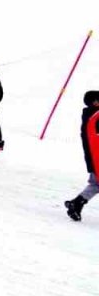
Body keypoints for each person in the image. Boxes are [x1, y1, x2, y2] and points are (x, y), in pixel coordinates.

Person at [64, 91, 99, 221]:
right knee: (96, 184)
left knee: (96, 184)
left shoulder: (90, 116)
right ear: (94, 102)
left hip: (94, 158)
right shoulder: (94, 117)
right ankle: (76, 203)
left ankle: (76, 203)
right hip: (96, 158)